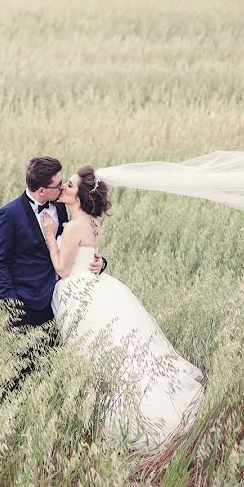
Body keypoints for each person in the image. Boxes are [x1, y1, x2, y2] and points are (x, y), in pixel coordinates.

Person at [41, 166, 204, 449]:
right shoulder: (93, 224)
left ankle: (115, 418)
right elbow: (89, 256)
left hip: (80, 294)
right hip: (101, 289)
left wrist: (49, 235)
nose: (64, 189)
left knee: (94, 354)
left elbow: (63, 268)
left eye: (69, 185)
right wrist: (99, 261)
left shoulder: (74, 226)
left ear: (78, 196)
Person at [0, 157, 104, 394]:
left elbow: (76, 248)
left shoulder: (62, 207)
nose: (62, 188)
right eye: (58, 184)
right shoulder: (9, 214)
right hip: (27, 303)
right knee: (19, 371)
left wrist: (99, 262)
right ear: (42, 190)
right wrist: (11, 301)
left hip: (62, 303)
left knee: (52, 369)